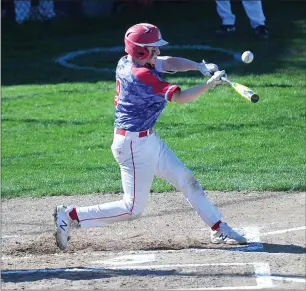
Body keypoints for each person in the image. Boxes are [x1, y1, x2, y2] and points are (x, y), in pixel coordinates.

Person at [54, 23, 247, 250]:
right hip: (133, 145)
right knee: (132, 208)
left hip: (147, 140)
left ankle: (218, 228)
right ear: (141, 51)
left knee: (186, 179)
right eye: (153, 48)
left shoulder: (127, 60)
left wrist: (199, 66)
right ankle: (70, 215)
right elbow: (180, 98)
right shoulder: (142, 76)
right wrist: (209, 85)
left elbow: (169, 62)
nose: (157, 51)